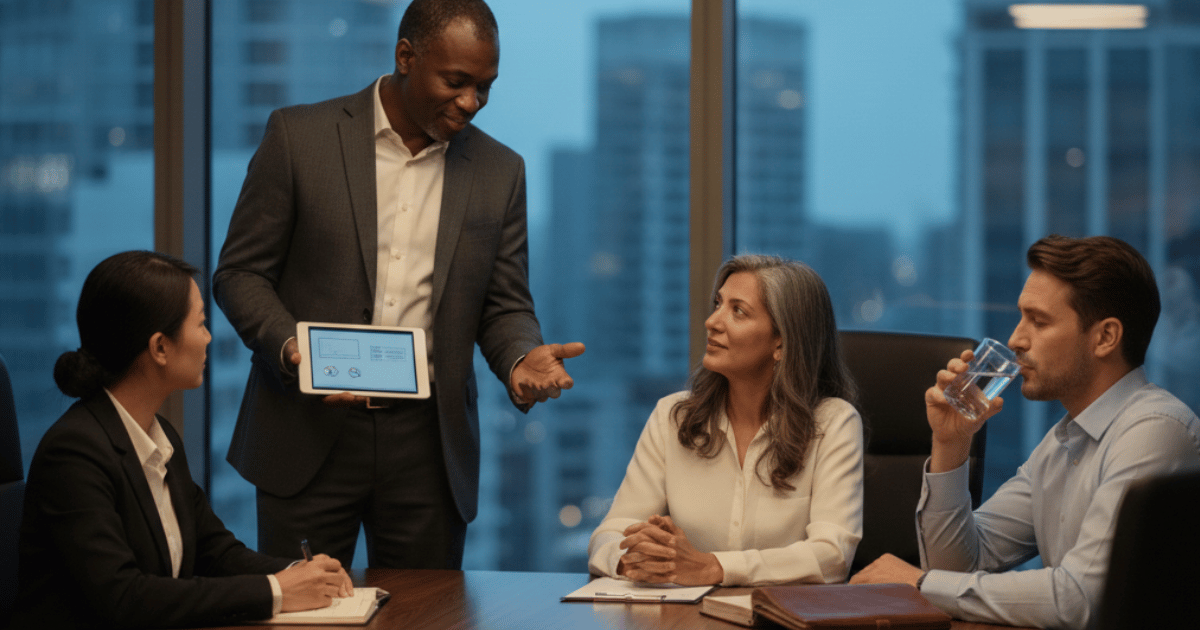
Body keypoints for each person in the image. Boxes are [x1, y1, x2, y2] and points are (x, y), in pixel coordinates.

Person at [212, 0, 584, 570]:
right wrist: (296, 351)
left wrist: (518, 359)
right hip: (308, 427)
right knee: (305, 612)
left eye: (485, 87)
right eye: (456, 82)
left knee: (428, 614)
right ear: (405, 57)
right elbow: (240, 274)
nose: (472, 103)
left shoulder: (499, 171)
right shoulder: (299, 136)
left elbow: (503, 305)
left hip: (429, 445)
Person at [850, 235, 1200, 629]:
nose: (1016, 339)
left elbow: (1079, 601)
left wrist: (919, 583)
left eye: (1039, 321)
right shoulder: (1063, 441)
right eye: (1021, 317)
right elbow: (960, 565)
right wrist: (952, 444)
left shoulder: (1154, 433)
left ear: (1105, 338)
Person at [12, 251, 353, 629]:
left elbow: (214, 550)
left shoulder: (159, 435)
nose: (208, 338)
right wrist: (275, 590)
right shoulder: (74, 453)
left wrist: (300, 574)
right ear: (160, 347)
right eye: (201, 324)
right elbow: (123, 598)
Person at [588, 255, 864, 586]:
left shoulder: (833, 423)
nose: (712, 321)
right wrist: (630, 560)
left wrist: (715, 567)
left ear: (781, 341)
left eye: (738, 311)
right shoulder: (673, 416)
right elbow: (610, 532)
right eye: (718, 304)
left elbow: (831, 557)